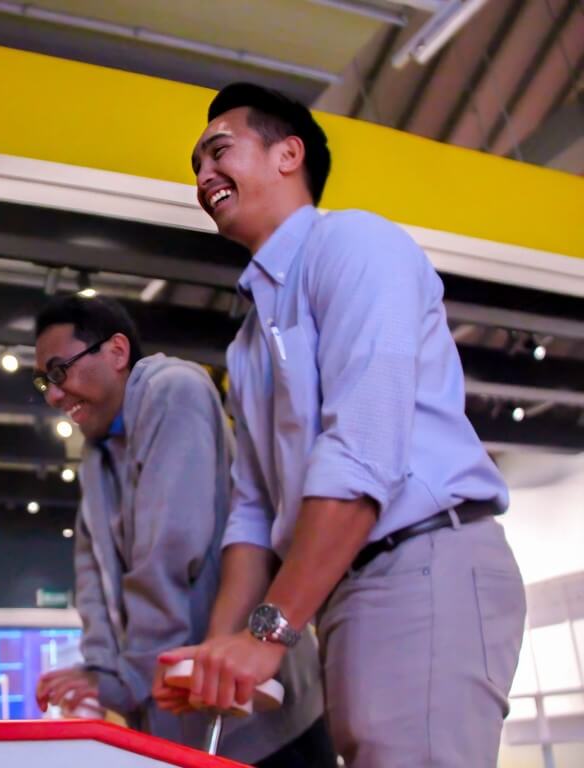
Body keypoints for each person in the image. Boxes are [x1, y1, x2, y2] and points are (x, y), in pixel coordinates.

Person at [153, 82, 527, 767]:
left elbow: (362, 453)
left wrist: (265, 635)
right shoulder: (247, 342)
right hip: (341, 590)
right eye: (195, 167)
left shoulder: (355, 245)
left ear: (288, 153)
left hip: (422, 562)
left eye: (218, 151)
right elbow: (252, 512)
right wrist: (218, 647)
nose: (203, 176)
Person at [30, 294, 334, 766]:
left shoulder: (172, 390)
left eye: (58, 371)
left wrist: (126, 679)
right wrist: (98, 671)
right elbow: (94, 580)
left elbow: (170, 553)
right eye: (44, 381)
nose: (52, 394)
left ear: (116, 351)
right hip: (181, 725)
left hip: (261, 722)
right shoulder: (97, 453)